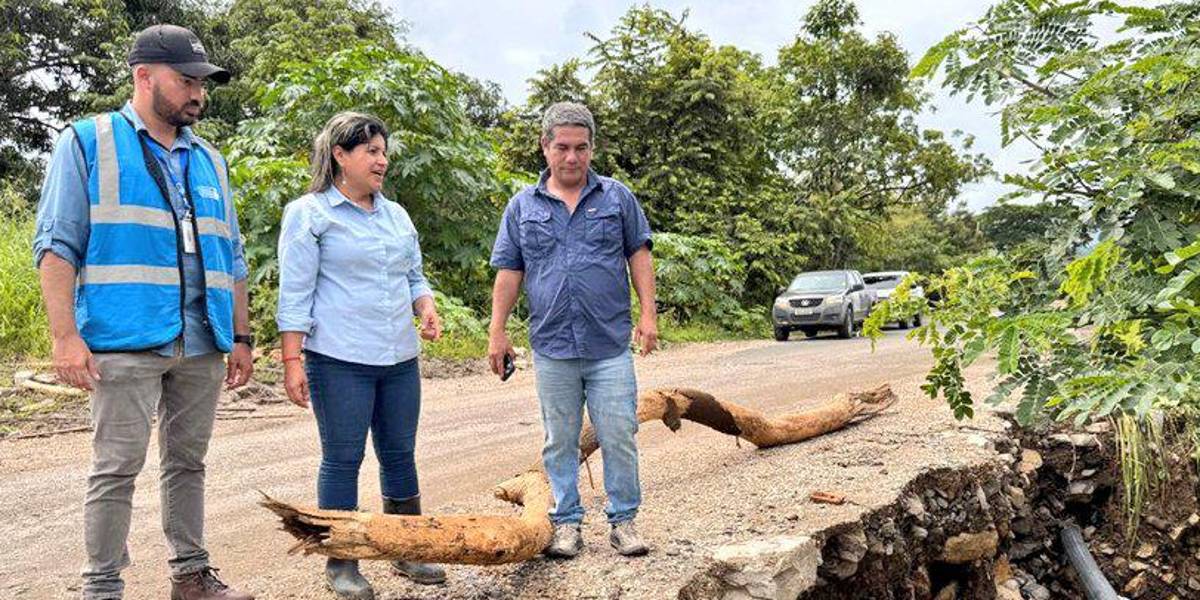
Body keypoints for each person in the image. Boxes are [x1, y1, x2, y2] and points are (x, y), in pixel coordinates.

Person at [33, 24, 255, 600]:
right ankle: (102, 587)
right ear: (144, 76)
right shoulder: (87, 142)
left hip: (202, 341)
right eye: (186, 81)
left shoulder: (211, 160)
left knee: (188, 464)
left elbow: (231, 255)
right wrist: (65, 338)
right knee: (115, 470)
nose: (198, 94)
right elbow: (57, 246)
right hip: (124, 337)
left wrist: (242, 335)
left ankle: (191, 574)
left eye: (202, 84)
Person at [276, 112, 446, 598]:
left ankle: (406, 549)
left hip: (398, 358)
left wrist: (426, 305)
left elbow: (415, 275)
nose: (382, 159)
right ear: (339, 156)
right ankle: (342, 562)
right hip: (338, 359)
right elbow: (296, 293)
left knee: (399, 455)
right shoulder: (310, 214)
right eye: (371, 150)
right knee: (342, 459)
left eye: (383, 150)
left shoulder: (396, 216)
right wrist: (293, 360)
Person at [487, 101, 658, 558]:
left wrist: (648, 315)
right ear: (544, 147)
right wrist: (496, 331)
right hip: (553, 346)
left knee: (619, 431)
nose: (571, 158)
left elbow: (638, 255)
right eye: (561, 147)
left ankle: (625, 522)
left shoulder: (617, 198)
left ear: (592, 148)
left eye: (581, 148)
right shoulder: (522, 207)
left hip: (608, 345)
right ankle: (566, 524)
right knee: (559, 439)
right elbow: (509, 270)